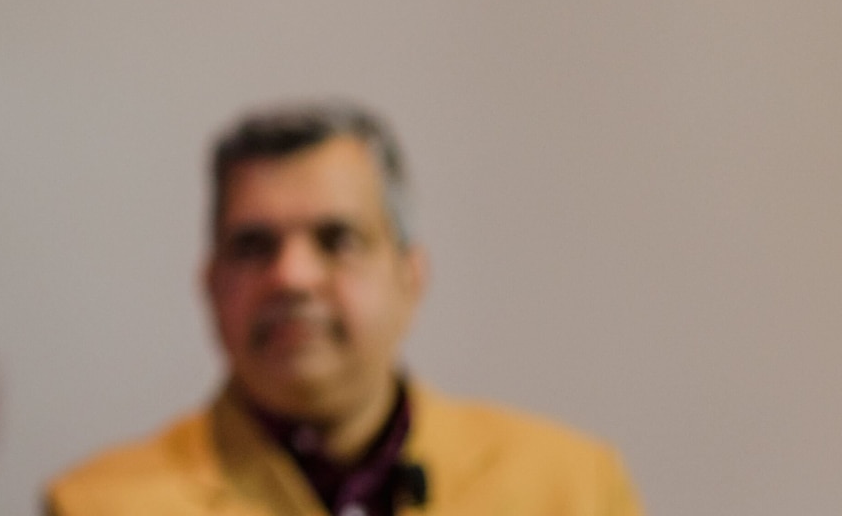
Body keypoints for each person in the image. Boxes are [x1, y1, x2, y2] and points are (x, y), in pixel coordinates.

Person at [46, 103, 638, 516]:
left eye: (337, 240)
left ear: (411, 278)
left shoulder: (572, 491)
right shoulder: (99, 506)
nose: (292, 277)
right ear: (209, 286)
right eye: (254, 246)